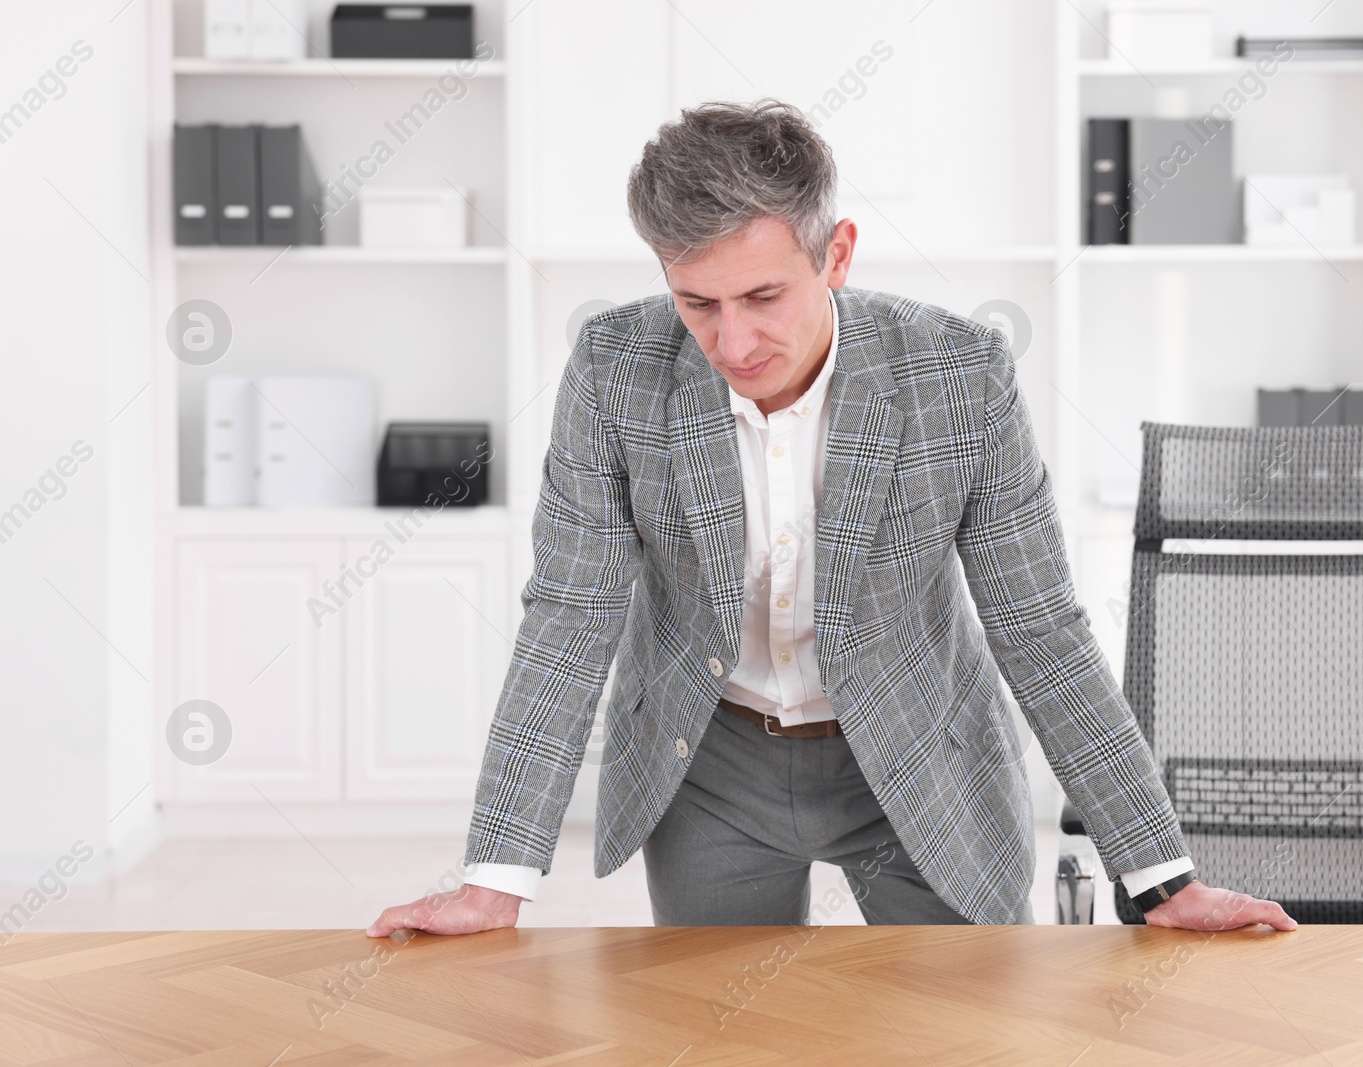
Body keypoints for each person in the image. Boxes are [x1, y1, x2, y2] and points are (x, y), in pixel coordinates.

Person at [368, 98, 1295, 936]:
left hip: (920, 745)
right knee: (720, 1035)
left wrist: (1161, 875)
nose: (732, 342)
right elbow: (570, 615)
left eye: (764, 296)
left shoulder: (959, 374)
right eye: (697, 302)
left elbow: (1038, 626)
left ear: (837, 254)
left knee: (964, 1030)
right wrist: (495, 876)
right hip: (712, 766)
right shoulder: (615, 369)